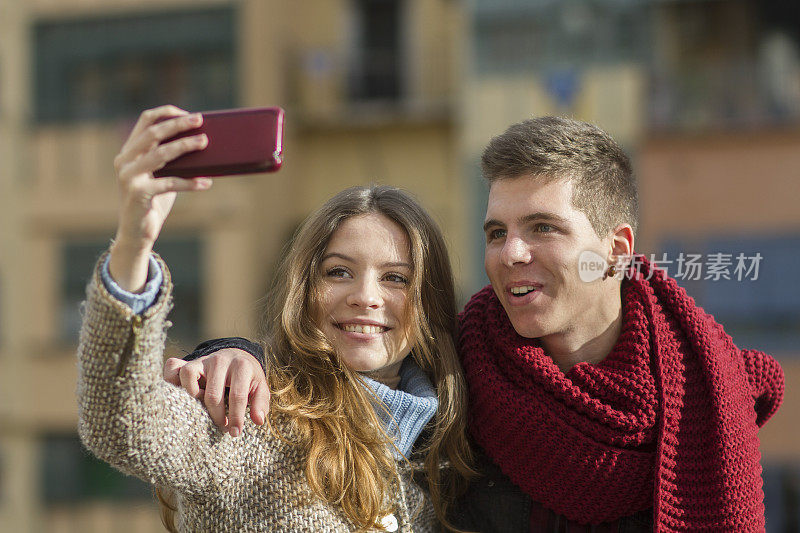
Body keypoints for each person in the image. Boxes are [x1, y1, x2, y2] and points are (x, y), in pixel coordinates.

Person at [176, 116, 786, 531]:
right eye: (497, 231)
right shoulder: (459, 371)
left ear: (617, 250)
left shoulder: (707, 396)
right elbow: (339, 372)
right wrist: (234, 353)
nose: (511, 253)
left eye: (543, 227)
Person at [77, 105, 474, 532]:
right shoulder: (251, 414)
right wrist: (134, 247)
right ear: (305, 290)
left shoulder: (446, 452)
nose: (366, 297)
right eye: (338, 271)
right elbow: (121, 424)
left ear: (430, 303)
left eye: (396, 278)